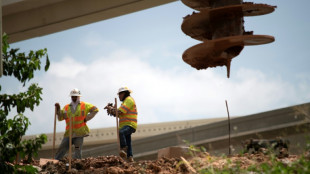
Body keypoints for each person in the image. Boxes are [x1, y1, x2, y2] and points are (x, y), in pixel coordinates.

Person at [54, 88, 99, 160]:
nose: (74, 98)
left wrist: (87, 118)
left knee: (77, 149)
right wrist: (58, 110)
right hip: (69, 133)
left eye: (75, 96)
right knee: (62, 147)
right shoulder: (66, 107)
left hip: (79, 133)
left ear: (79, 97)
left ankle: (77, 164)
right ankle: (56, 161)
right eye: (72, 96)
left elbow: (96, 109)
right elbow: (60, 118)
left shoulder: (85, 105)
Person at [105, 87, 137, 162]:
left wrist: (112, 109)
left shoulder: (129, 100)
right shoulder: (125, 102)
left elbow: (120, 111)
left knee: (121, 133)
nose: (119, 96)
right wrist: (112, 109)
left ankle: (123, 149)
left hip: (130, 124)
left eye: (120, 94)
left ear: (124, 93)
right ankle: (130, 157)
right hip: (126, 124)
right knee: (128, 141)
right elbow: (118, 114)